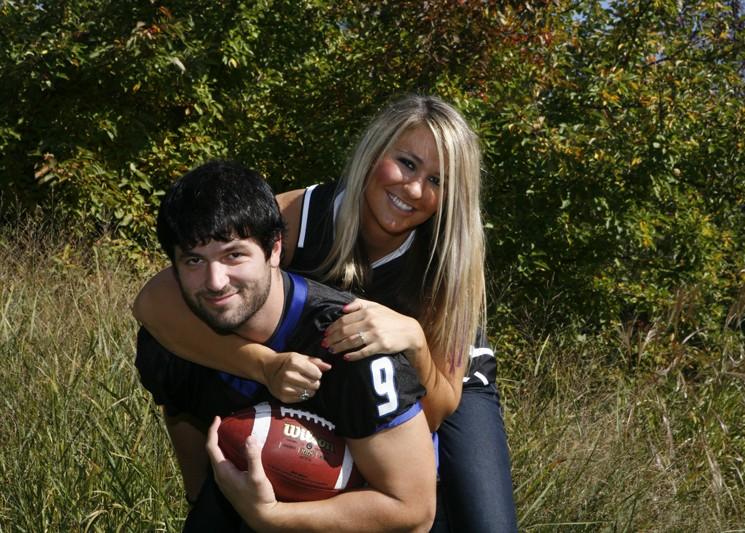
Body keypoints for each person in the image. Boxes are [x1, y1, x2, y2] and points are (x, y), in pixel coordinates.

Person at [134, 95, 517, 532]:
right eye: (407, 164)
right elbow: (153, 302)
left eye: (437, 180)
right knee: (167, 353)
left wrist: (413, 338)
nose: (414, 189)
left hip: (445, 383)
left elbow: (438, 408)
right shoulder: (302, 213)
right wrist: (263, 365)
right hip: (328, 361)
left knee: (486, 525)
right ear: (375, 152)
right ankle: (206, 500)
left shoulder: (447, 259)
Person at [135, 160, 436, 531]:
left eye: (234, 255)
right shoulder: (174, 338)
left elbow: (414, 510)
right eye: (194, 260)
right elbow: (183, 410)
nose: (215, 281)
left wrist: (272, 518)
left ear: (275, 248)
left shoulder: (351, 346)